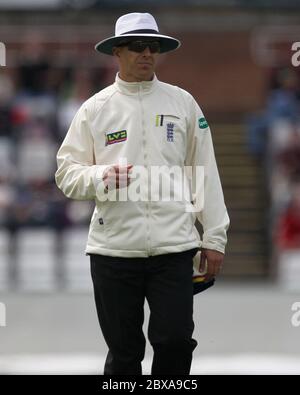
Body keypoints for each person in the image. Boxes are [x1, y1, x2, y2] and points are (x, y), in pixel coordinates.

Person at [55, 12, 230, 375]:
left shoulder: (183, 103)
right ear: (117, 52)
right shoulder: (94, 109)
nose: (147, 53)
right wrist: (102, 176)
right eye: (137, 46)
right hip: (113, 250)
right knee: (124, 353)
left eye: (154, 46)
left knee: (175, 341)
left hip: (174, 247)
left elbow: (204, 173)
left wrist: (214, 237)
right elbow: (66, 174)